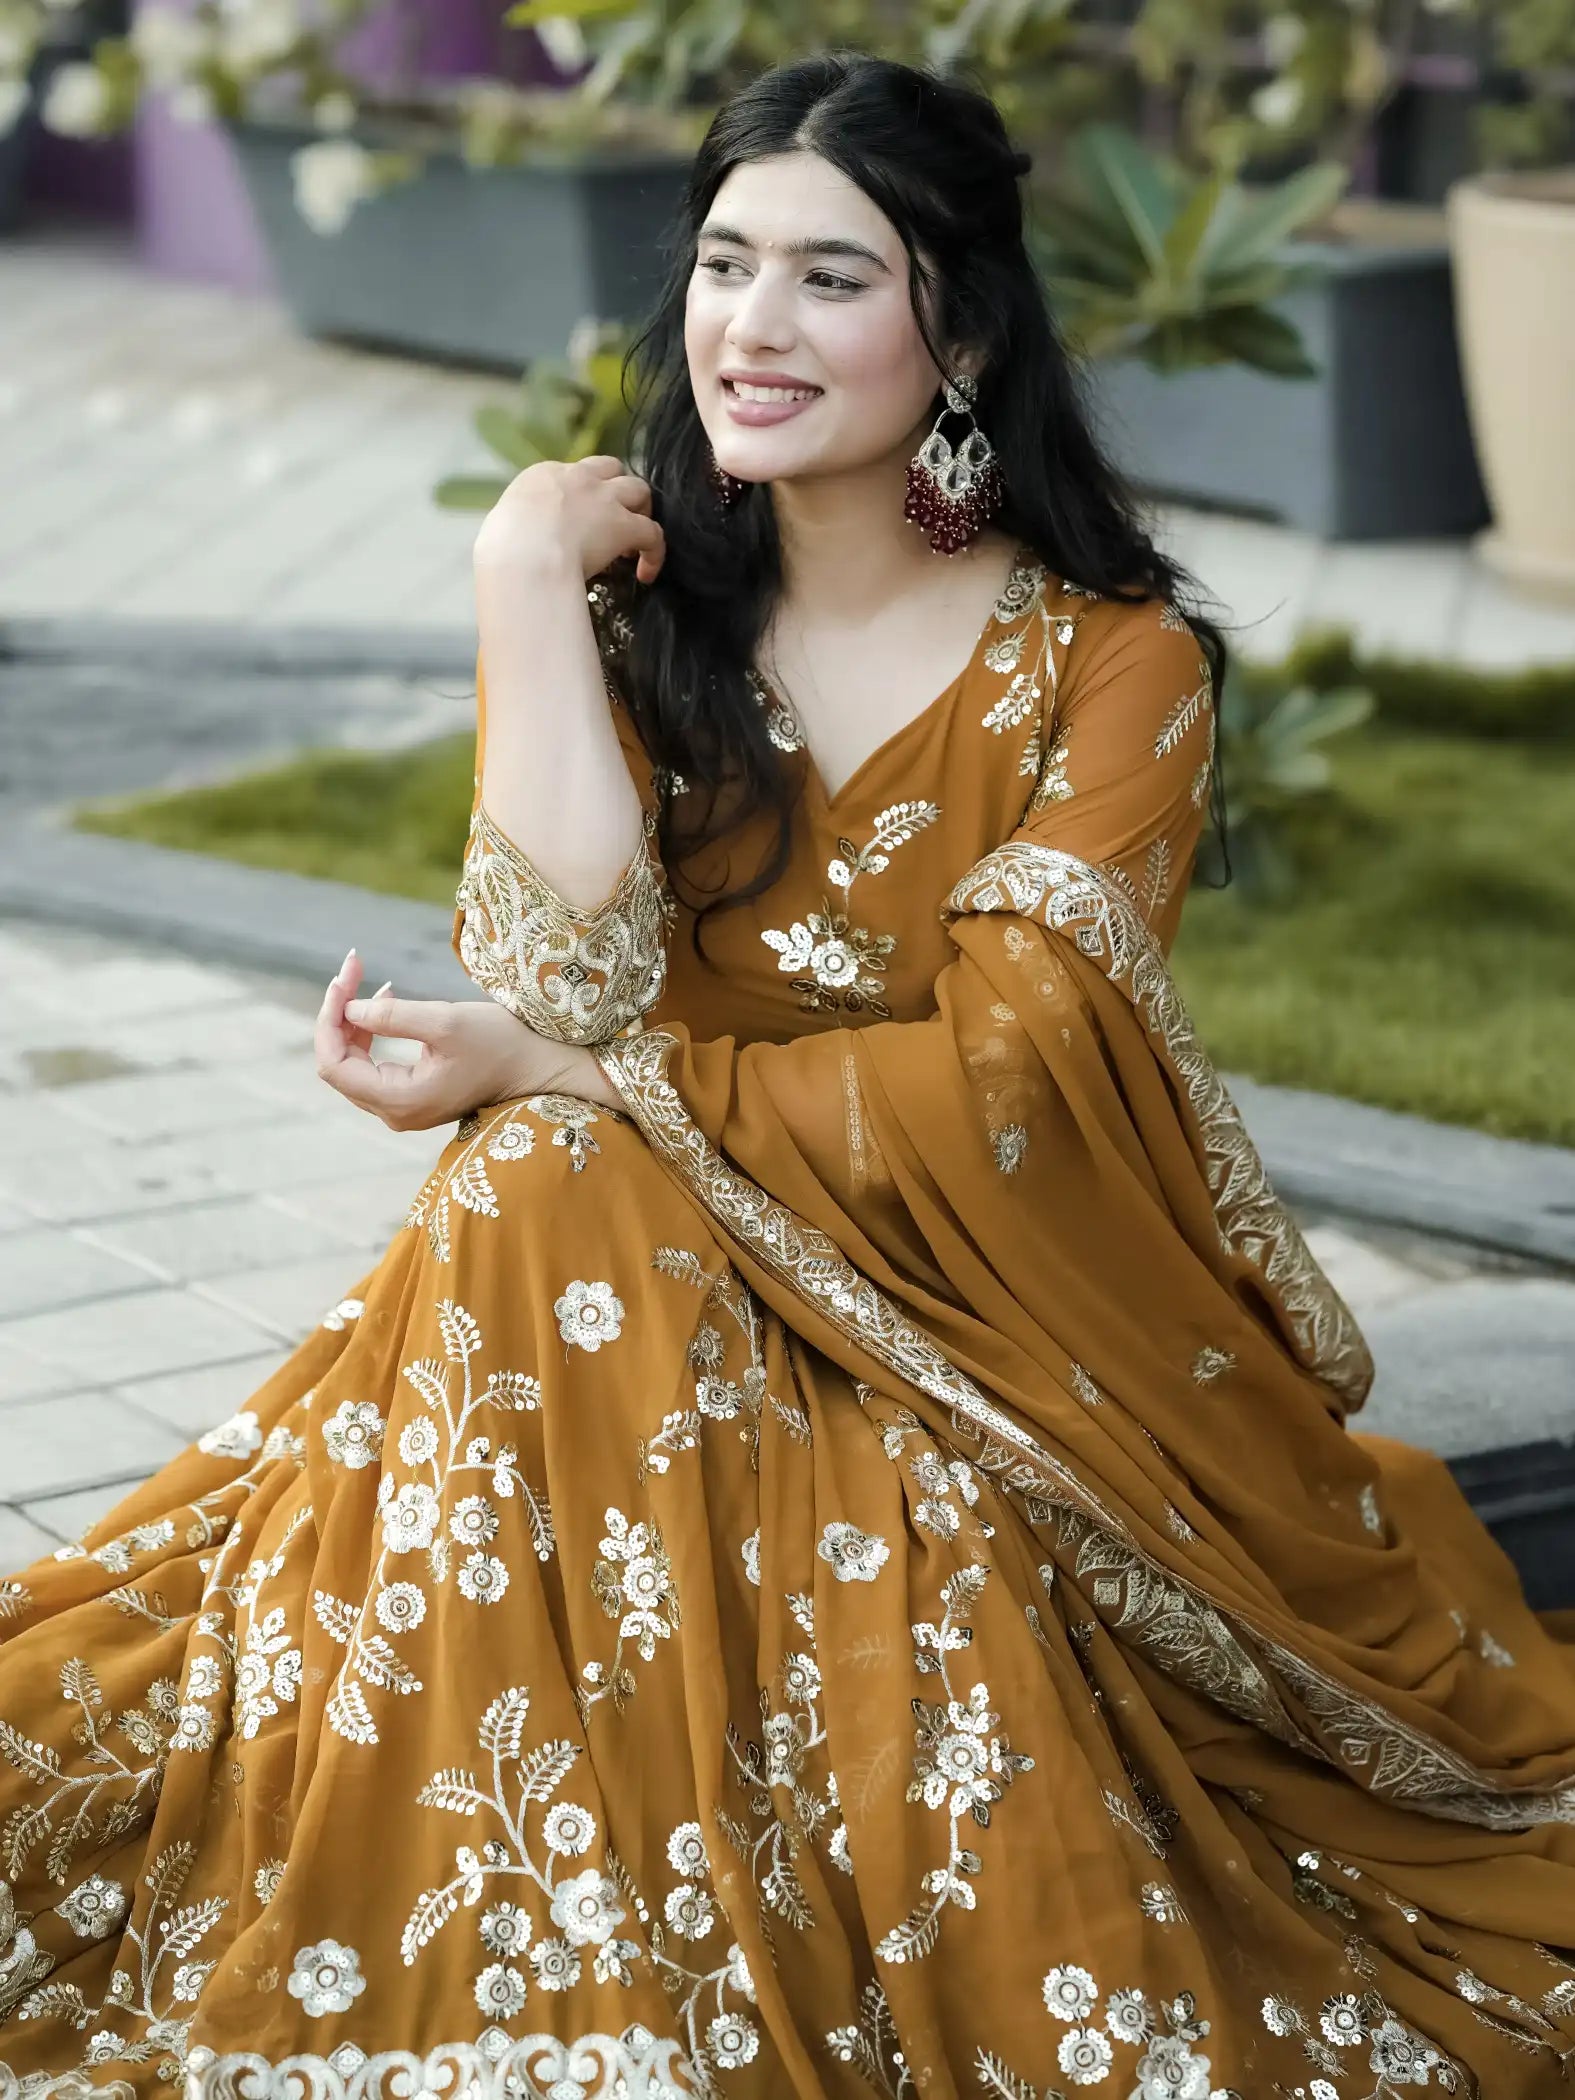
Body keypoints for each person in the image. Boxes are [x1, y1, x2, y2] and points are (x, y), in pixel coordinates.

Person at [2, 48, 1572, 2100]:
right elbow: (559, 968)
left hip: (996, 1324)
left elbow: (1006, 1088)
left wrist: (580, 1084)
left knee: (540, 1180)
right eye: (725, 262)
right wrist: (513, 580)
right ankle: (563, 1940)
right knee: (528, 1197)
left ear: (959, 334)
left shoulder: (1109, 668)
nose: (751, 324)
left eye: (831, 276)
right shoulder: (627, 612)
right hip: (624, 1279)